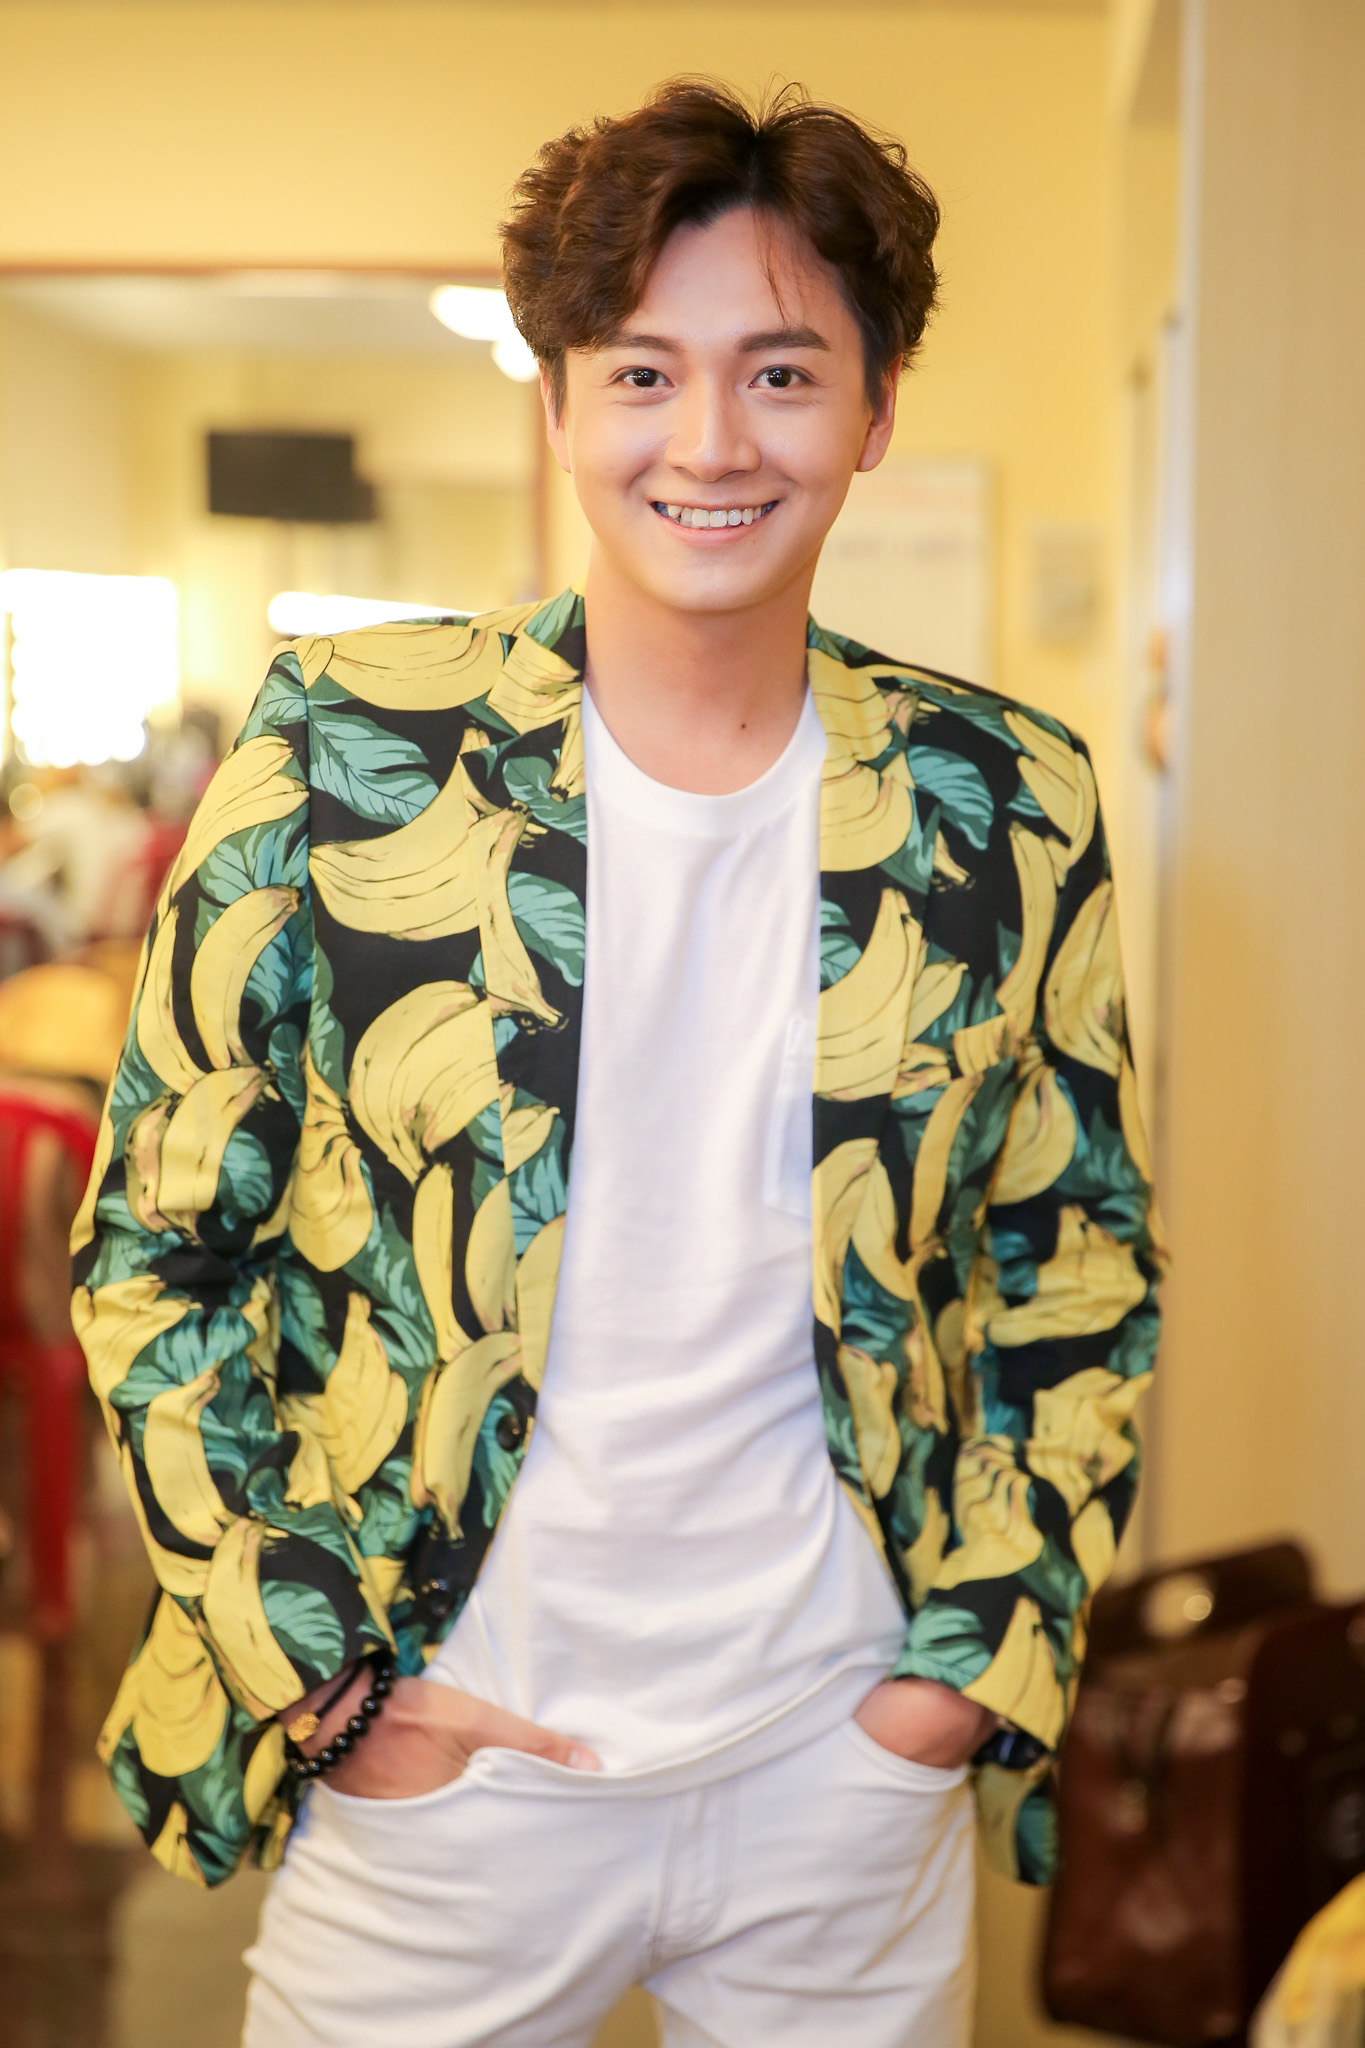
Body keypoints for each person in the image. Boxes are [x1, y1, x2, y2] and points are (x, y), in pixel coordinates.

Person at [73, 78, 1163, 2048]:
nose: (711, 441)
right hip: (442, 1760)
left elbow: (1068, 1265)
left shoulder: (1002, 802)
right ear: (560, 406)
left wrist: (953, 1682)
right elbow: (156, 1256)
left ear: (873, 407)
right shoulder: (344, 749)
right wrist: (323, 1678)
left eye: (780, 372)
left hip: (838, 1764)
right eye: (643, 372)